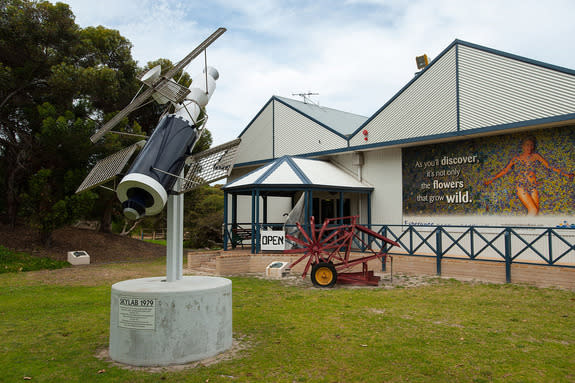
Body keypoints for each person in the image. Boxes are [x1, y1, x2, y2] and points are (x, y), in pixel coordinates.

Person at [484, 136, 574, 215]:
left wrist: (565, 174)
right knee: (533, 210)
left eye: (531, 145)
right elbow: (504, 170)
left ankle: (531, 231)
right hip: (521, 186)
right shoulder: (516, 158)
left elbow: (549, 166)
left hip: (533, 187)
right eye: (527, 145)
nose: (529, 147)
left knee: (536, 211)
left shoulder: (536, 156)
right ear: (523, 146)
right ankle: (522, 230)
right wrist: (492, 179)